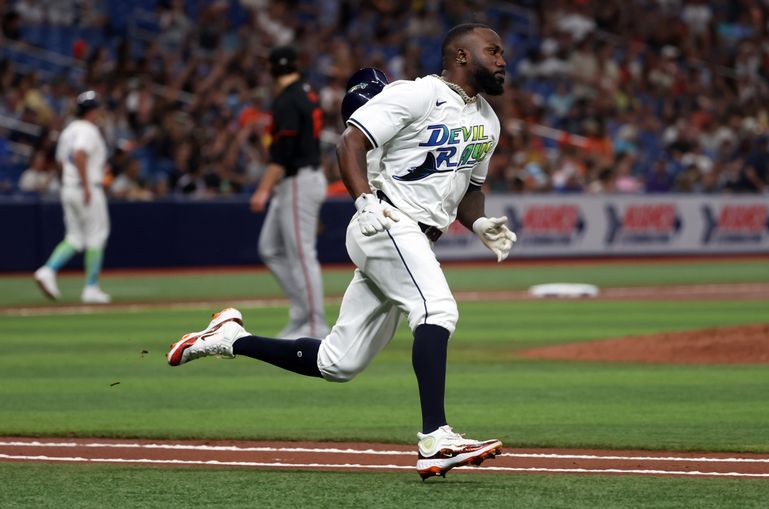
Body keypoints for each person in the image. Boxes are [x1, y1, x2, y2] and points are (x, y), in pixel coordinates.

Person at [167, 24, 517, 480]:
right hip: (387, 222)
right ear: (461, 56)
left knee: (339, 362)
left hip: (416, 236)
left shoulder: (489, 120)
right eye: (492, 50)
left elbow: (471, 189)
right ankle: (435, 439)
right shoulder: (417, 95)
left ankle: (228, 338)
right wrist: (364, 201)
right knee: (436, 309)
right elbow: (350, 142)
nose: (502, 59)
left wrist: (480, 223)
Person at [249, 46, 329, 338]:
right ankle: (301, 313)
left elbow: (282, 154)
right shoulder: (306, 92)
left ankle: (314, 324)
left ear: (272, 68)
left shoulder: (287, 100)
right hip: (299, 180)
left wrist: (262, 191)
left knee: (302, 256)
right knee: (269, 248)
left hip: (298, 180)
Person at [34, 90, 111, 304]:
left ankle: (48, 270)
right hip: (86, 188)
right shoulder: (87, 130)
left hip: (68, 187)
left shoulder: (68, 130)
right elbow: (79, 153)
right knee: (96, 236)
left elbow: (60, 161)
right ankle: (91, 287)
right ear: (92, 111)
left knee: (75, 238)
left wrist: (70, 182)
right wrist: (86, 185)